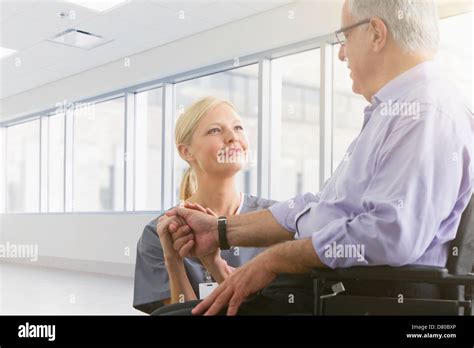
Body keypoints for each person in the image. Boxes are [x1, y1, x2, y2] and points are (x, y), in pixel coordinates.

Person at [164, 0, 474, 315]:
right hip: (331, 290)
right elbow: (322, 206)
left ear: (377, 34)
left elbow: (389, 234)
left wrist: (274, 259)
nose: (342, 53)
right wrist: (219, 230)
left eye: (345, 38)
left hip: (355, 298)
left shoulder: (423, 113)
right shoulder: (398, 111)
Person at [132, 96, 278, 314]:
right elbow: (181, 310)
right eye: (215, 131)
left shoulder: (274, 219)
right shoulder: (159, 233)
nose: (232, 137)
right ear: (186, 151)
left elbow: (275, 308)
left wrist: (215, 265)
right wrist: (174, 260)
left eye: (238, 127)